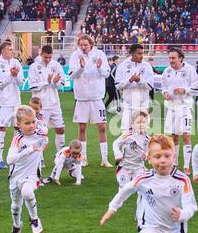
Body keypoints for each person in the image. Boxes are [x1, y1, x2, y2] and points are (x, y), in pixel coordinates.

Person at [100, 135, 198, 233]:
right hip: (150, 228)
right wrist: (112, 208)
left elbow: (191, 206)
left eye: (167, 156)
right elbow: (126, 190)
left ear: (174, 157)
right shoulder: (143, 178)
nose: (162, 160)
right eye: (157, 157)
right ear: (149, 158)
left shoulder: (182, 180)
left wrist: (182, 214)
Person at [68, 35, 112, 167]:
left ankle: (104, 159)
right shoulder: (75, 55)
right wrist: (81, 67)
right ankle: (84, 158)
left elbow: (106, 73)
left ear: (91, 44)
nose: (83, 47)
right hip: (81, 97)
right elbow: (72, 75)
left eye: (85, 45)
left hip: (97, 97)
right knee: (82, 128)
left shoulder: (100, 54)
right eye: (81, 45)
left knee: (102, 127)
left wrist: (99, 67)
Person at [7, 105, 48, 233]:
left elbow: (45, 137)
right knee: (15, 206)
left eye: (33, 122)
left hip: (32, 174)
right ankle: (16, 226)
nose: (31, 125)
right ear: (18, 125)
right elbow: (10, 160)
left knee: (27, 192)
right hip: (15, 176)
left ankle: (35, 219)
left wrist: (41, 145)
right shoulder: (17, 139)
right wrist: (31, 149)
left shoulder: (41, 132)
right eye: (27, 123)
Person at [161, 47, 198, 175]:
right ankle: (175, 163)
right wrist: (165, 93)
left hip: (185, 107)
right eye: (169, 58)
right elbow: (163, 86)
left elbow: (196, 87)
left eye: (173, 58)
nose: (171, 60)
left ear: (181, 58)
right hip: (171, 107)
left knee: (186, 134)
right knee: (174, 137)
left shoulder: (190, 70)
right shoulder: (166, 71)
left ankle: (186, 166)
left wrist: (184, 90)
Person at [28, 45, 66, 155]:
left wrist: (55, 82)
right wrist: (47, 82)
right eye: (45, 57)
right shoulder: (34, 67)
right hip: (39, 106)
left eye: (50, 57)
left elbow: (62, 83)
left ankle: (60, 156)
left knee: (60, 129)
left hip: (54, 104)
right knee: (40, 132)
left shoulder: (56, 65)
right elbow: (32, 86)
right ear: (41, 54)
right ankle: (39, 157)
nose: (48, 59)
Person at [0, 41, 24, 169]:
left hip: (16, 102)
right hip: (3, 103)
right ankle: (0, 159)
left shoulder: (16, 62)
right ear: (3, 51)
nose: (12, 51)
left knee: (17, 129)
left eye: (12, 49)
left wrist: (15, 76)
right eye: (10, 49)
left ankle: (15, 157)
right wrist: (11, 76)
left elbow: (21, 82)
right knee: (2, 128)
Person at [115, 44, 154, 132]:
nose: (141, 56)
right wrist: (130, 80)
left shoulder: (147, 66)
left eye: (142, 53)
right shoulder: (122, 66)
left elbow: (150, 86)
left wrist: (139, 81)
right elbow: (118, 85)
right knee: (125, 133)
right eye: (139, 53)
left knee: (142, 133)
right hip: (128, 105)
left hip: (142, 105)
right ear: (132, 54)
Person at [113, 111, 150, 188]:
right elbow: (116, 143)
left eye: (144, 122)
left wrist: (146, 155)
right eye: (138, 122)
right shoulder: (128, 135)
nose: (141, 124)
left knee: (142, 188)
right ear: (133, 124)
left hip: (138, 167)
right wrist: (118, 154)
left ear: (147, 124)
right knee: (122, 189)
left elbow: (149, 152)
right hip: (125, 166)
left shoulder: (148, 139)